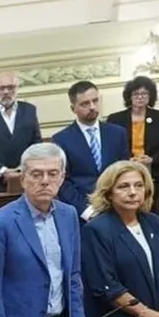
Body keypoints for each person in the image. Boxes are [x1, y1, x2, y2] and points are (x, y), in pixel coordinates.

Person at [0, 142, 88, 317]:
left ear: (62, 177)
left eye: (52, 173)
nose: (45, 180)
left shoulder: (69, 215)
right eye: (37, 174)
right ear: (23, 178)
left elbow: (73, 277)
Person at [81, 161, 159, 317]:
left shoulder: (152, 222)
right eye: (123, 187)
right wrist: (146, 314)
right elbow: (106, 286)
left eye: (138, 185)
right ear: (109, 193)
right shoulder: (97, 230)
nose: (133, 192)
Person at [51, 80, 129, 216]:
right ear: (73, 108)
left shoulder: (117, 133)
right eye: (85, 104)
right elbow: (62, 181)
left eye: (95, 101)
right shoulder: (61, 139)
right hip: (84, 211)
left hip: (119, 206)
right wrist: (86, 210)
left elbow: (126, 170)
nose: (92, 107)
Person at [104, 76, 159, 210]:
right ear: (129, 96)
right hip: (123, 171)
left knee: (152, 210)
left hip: (152, 173)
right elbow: (110, 148)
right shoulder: (115, 119)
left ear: (150, 96)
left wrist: (151, 159)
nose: (140, 97)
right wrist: (127, 161)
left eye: (144, 93)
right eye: (136, 94)